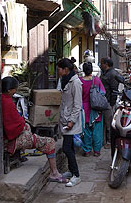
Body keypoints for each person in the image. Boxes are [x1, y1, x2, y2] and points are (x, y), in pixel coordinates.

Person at [1, 77, 66, 183]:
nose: (15, 91)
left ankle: (21, 153)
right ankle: (54, 173)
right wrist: (22, 123)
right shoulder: (7, 102)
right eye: (14, 89)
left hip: (5, 135)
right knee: (50, 142)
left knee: (27, 126)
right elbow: (15, 124)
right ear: (9, 90)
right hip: (9, 139)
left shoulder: (2, 99)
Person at [57, 58, 83, 187]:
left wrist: (72, 121)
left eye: (59, 69)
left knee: (67, 148)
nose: (58, 71)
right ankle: (71, 171)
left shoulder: (75, 83)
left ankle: (76, 175)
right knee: (70, 147)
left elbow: (77, 104)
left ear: (65, 69)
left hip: (70, 121)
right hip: (65, 118)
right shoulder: (65, 80)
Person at [79, 62, 106, 157]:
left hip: (83, 108)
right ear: (91, 70)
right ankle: (97, 151)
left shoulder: (79, 81)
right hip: (95, 108)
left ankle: (87, 150)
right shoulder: (97, 80)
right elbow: (103, 92)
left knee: (86, 130)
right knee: (97, 131)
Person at [99, 57, 124, 148]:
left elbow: (114, 90)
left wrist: (111, 103)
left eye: (102, 63)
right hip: (104, 101)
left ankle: (110, 141)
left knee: (109, 122)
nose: (100, 65)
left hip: (109, 102)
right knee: (104, 123)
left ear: (106, 64)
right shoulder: (105, 73)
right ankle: (104, 140)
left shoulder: (112, 74)